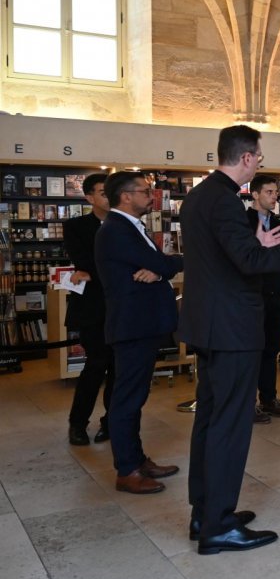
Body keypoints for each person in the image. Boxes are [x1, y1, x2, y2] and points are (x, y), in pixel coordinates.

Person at [180, 125, 280, 554]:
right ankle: (219, 527)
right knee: (230, 426)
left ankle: (205, 512)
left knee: (210, 421)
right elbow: (247, 262)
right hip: (231, 328)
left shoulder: (199, 197)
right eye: (260, 158)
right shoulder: (228, 202)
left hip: (209, 325)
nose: (261, 163)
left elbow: (228, 258)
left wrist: (258, 244)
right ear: (246, 158)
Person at [94, 171, 185, 495]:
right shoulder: (116, 230)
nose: (152, 196)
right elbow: (157, 262)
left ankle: (137, 459)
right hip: (132, 325)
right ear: (126, 196)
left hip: (142, 324)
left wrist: (159, 271)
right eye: (145, 191)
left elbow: (155, 266)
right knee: (127, 400)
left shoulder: (132, 227)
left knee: (135, 397)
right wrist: (168, 265)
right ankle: (127, 470)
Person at [65, 173, 115, 447]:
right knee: (95, 366)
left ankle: (111, 422)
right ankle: (77, 424)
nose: (109, 197)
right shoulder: (76, 226)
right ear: (89, 197)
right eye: (103, 192)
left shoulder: (126, 224)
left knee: (119, 368)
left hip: (122, 309)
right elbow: (83, 261)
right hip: (93, 309)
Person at [246, 174, 280, 423]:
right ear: (254, 194)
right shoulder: (243, 222)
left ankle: (268, 397)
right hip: (253, 296)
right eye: (268, 192)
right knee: (251, 351)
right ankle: (248, 402)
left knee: (271, 349)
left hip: (277, 294)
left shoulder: (279, 222)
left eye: (276, 192)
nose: (274, 196)